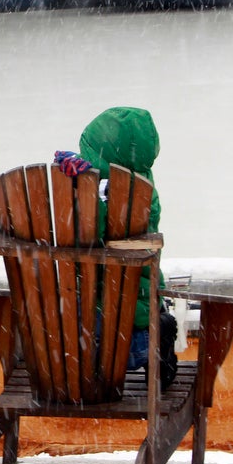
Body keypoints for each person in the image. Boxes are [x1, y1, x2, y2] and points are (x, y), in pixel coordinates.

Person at [54, 106, 178, 388]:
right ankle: (161, 341)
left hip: (67, 346)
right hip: (133, 344)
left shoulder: (85, 195)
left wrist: (79, 189)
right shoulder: (146, 194)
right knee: (157, 318)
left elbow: (87, 235)